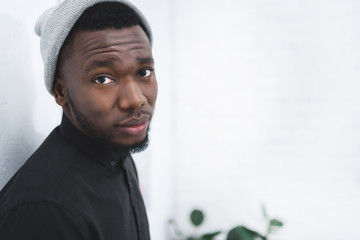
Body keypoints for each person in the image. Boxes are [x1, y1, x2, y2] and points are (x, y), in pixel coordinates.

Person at [0, 0, 157, 239]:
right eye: (103, 79)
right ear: (61, 92)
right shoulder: (46, 211)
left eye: (143, 72)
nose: (136, 100)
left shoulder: (119, 154)